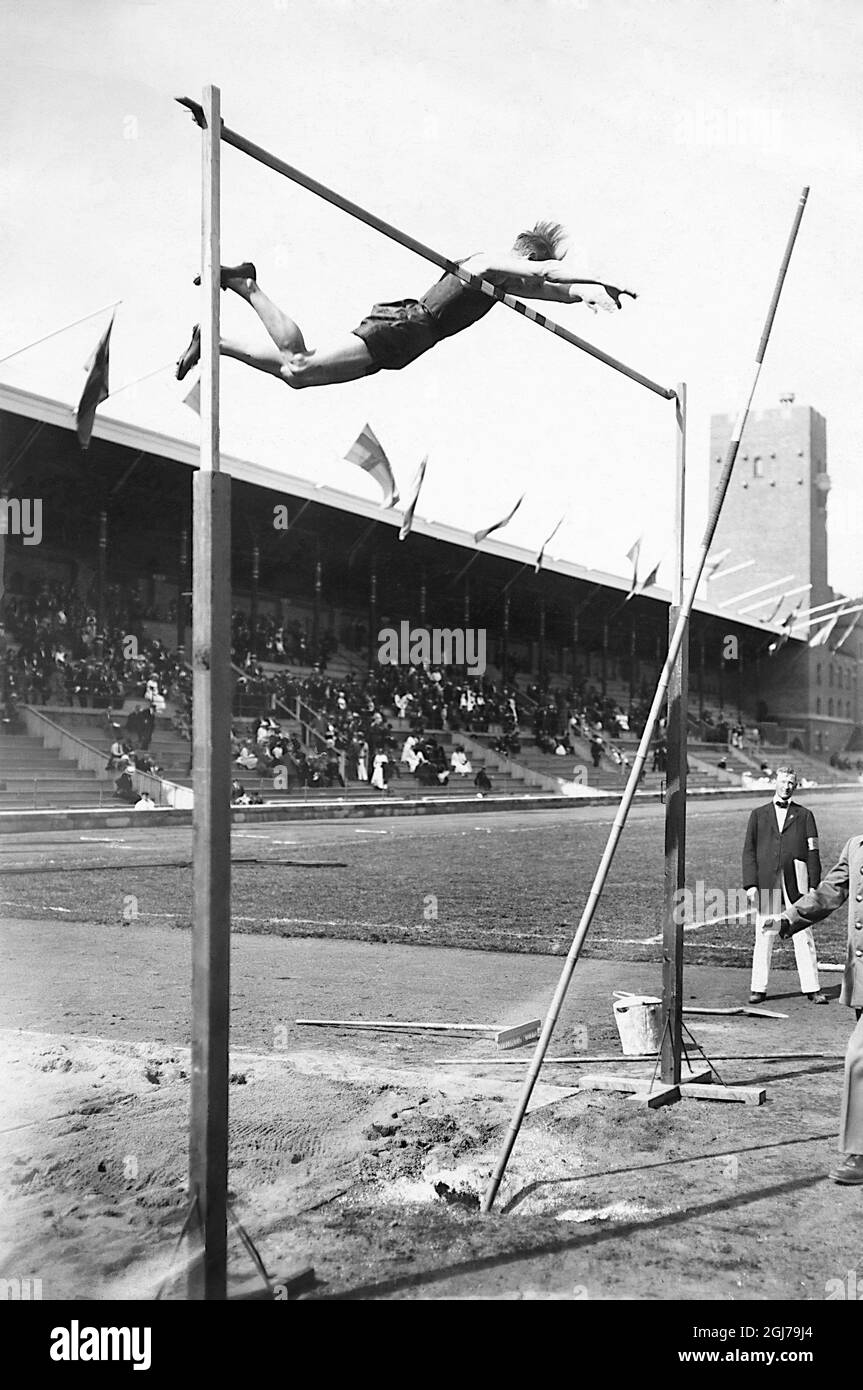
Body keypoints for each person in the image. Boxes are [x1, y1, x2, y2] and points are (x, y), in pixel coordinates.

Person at [176, 224, 635, 390]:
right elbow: (543, 277)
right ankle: (246, 285)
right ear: (527, 255)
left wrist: (591, 295)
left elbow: (553, 290)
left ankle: (215, 342)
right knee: (301, 363)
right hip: (408, 325)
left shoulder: (503, 283)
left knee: (296, 377)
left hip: (411, 339)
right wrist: (595, 277)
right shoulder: (491, 264)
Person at [767, 830, 863, 1184]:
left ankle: (860, 1152)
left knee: (859, 1056)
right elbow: (829, 892)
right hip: (862, 973)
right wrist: (788, 919)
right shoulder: (856, 846)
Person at [742, 765, 827, 1005]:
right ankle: (758, 988)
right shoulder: (758, 815)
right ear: (775, 782)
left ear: (796, 786)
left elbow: (813, 853)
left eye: (791, 783)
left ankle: (812, 988)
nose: (787, 786)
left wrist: (813, 885)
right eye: (783, 781)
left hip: (796, 885)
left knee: (803, 935)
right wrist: (750, 885)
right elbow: (748, 852)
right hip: (768, 884)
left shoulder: (805, 815)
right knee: (765, 934)